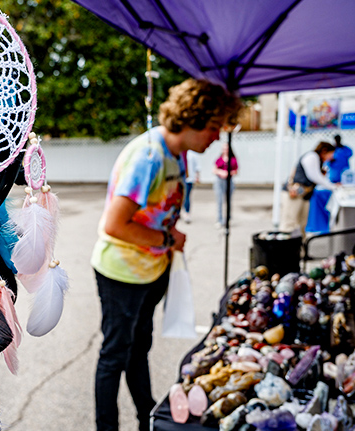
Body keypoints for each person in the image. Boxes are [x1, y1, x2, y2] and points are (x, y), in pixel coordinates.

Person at [90, 79, 241, 431]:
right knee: (114, 355)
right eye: (215, 128)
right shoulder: (149, 157)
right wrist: (166, 238)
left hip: (150, 271)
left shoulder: (177, 153)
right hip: (122, 273)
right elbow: (114, 224)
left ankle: (147, 417)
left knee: (138, 348)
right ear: (192, 119)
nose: (217, 138)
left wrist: (165, 240)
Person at [279, 141, 336, 237]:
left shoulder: (318, 160)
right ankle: (285, 250)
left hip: (304, 196)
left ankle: (301, 250)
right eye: (331, 154)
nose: (331, 157)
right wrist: (333, 187)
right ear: (324, 151)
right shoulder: (312, 156)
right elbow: (315, 176)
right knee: (289, 225)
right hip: (294, 195)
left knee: (302, 225)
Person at [212, 142, 238, 228]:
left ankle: (228, 219)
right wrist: (221, 172)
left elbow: (236, 171)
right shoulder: (219, 159)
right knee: (219, 201)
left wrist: (228, 173)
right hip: (220, 181)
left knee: (228, 201)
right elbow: (214, 169)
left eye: (226, 148)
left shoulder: (233, 160)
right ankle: (219, 220)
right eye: (223, 149)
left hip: (229, 181)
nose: (224, 150)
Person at [182, 150, 201, 223]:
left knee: (186, 196)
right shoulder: (181, 152)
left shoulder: (193, 153)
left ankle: (187, 212)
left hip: (189, 179)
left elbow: (197, 166)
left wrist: (197, 176)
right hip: (181, 178)